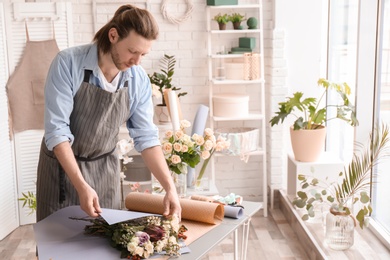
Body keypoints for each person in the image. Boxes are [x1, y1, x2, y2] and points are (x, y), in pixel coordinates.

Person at [36, 4, 182, 222]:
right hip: (62, 170)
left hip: (105, 171)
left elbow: (147, 138)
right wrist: (82, 185)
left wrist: (170, 188)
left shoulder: (137, 79)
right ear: (113, 35)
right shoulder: (68, 63)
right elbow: (57, 132)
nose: (137, 61)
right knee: (57, 248)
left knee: (106, 246)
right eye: (133, 51)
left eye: (143, 54)